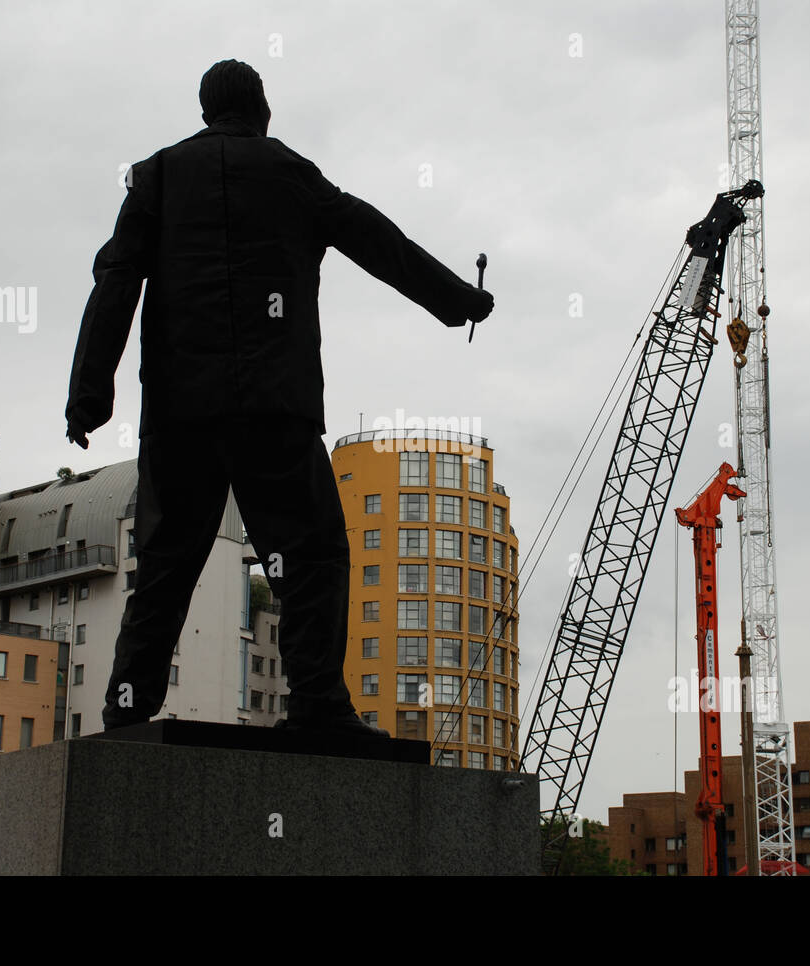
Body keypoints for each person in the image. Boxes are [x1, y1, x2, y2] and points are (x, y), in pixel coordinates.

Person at [64, 59, 494, 737]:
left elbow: (115, 283)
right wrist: (456, 300)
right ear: (260, 108)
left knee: (168, 563)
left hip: (181, 410)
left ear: (206, 109)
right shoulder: (291, 173)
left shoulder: (160, 176)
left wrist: (88, 397)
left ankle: (128, 703)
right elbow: (379, 241)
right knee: (312, 553)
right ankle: (318, 702)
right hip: (274, 406)